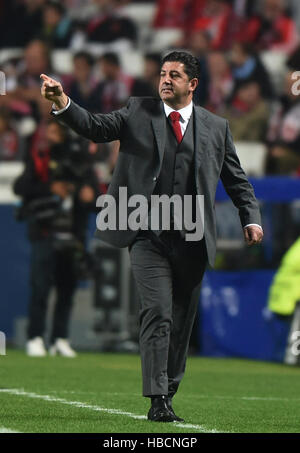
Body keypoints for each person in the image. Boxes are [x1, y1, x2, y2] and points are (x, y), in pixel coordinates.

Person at [40, 51, 263, 422]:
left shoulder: (216, 127)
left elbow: (237, 181)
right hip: (147, 232)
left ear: (193, 84)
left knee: (181, 320)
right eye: (162, 73)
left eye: (174, 75)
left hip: (193, 236)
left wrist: (251, 218)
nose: (165, 79)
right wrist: (63, 102)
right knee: (157, 311)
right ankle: (157, 398)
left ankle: (169, 387)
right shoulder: (137, 111)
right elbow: (96, 127)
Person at [14, 119, 100, 357]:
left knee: (67, 289)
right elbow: (20, 187)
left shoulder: (83, 163)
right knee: (40, 287)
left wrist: (89, 196)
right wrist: (50, 188)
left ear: (65, 134)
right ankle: (35, 337)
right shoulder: (41, 159)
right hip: (45, 232)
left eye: (53, 131)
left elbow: (97, 201)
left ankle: (60, 338)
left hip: (73, 235)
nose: (49, 135)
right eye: (48, 130)